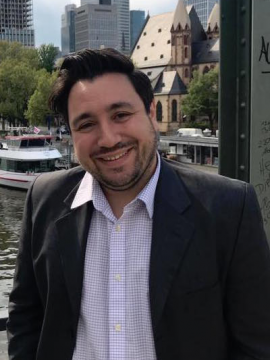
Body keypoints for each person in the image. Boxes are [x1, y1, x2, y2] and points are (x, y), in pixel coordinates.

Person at [7, 48, 270, 360]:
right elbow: (25, 315)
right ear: (72, 133)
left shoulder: (228, 207)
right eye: (86, 124)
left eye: (120, 115)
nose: (107, 139)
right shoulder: (44, 199)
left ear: (152, 114)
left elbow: (256, 346)